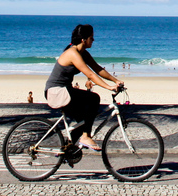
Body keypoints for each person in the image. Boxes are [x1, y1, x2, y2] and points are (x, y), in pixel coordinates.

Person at [45, 23, 123, 151]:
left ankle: (67, 149)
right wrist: (109, 87)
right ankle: (86, 137)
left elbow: (97, 69)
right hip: (57, 91)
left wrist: (116, 80)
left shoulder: (83, 53)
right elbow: (90, 74)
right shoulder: (73, 53)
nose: (93, 40)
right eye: (91, 38)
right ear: (83, 39)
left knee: (84, 121)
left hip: (66, 91)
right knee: (93, 99)